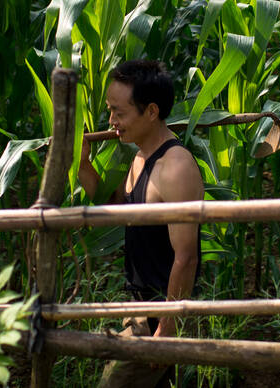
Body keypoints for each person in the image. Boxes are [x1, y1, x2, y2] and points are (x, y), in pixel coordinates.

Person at [77, 59, 204, 388]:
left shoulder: (175, 167)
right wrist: (82, 165)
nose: (112, 122)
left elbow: (186, 256)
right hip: (139, 306)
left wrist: (166, 328)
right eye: (110, 111)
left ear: (151, 111)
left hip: (159, 312)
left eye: (120, 113)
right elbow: (117, 208)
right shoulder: (141, 155)